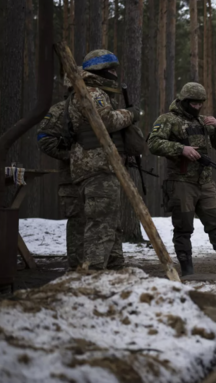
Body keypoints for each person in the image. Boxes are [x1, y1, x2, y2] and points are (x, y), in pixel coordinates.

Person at [148, 82, 216, 275]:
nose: (197, 107)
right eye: (193, 103)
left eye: (200, 104)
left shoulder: (203, 121)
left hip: (205, 182)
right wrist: (181, 149)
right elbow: (153, 143)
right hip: (181, 181)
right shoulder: (167, 119)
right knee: (183, 226)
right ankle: (187, 269)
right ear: (184, 100)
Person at [67, 49, 140, 270]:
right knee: (101, 223)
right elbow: (106, 121)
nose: (114, 73)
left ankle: (112, 266)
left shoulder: (83, 92)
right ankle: (94, 271)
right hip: (99, 166)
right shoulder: (94, 93)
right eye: (110, 69)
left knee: (108, 220)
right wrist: (131, 114)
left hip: (94, 166)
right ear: (99, 70)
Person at [36, 83, 84, 268]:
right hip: (72, 178)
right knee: (78, 222)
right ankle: (77, 269)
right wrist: (72, 156)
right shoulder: (60, 110)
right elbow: (44, 139)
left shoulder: (98, 107)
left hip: (98, 177)